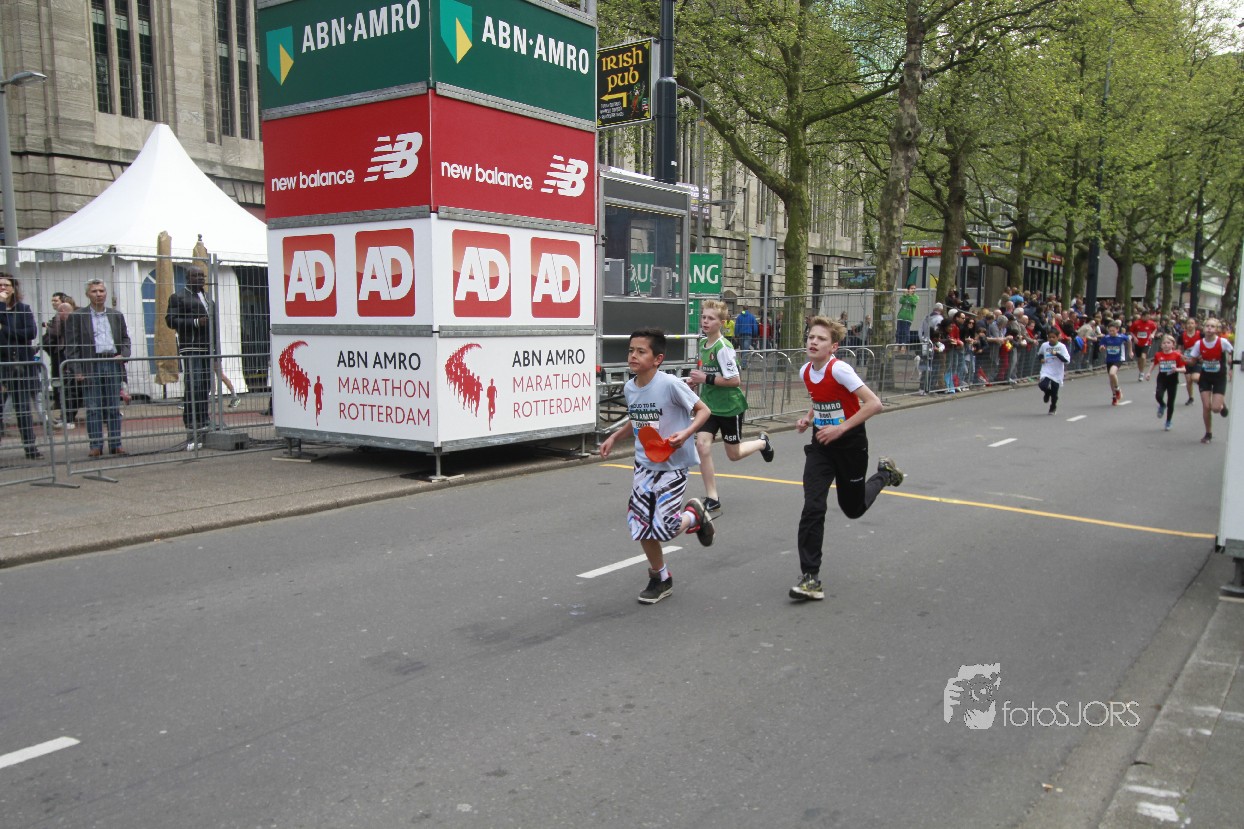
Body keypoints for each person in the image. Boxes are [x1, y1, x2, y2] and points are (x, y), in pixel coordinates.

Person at [790, 317, 903, 601]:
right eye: (811, 337)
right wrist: (808, 418)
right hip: (821, 444)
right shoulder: (805, 370)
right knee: (813, 506)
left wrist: (841, 428)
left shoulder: (840, 369)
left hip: (850, 444)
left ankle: (885, 474)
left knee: (853, 509)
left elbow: (874, 404)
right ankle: (810, 577)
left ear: (833, 347)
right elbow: (820, 399)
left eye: (821, 339)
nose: (813, 342)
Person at [599, 328, 714, 605]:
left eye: (641, 351)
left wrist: (686, 433)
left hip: (673, 466)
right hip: (644, 465)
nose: (633, 356)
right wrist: (615, 436)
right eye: (631, 350)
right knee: (640, 525)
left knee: (665, 528)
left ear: (657, 358)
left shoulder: (671, 385)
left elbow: (704, 411)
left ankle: (694, 516)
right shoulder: (630, 387)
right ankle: (660, 578)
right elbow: (637, 419)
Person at [688, 299, 775, 514]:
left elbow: (735, 380)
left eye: (711, 318)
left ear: (721, 322)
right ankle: (712, 497)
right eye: (704, 317)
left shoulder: (723, 348)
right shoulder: (703, 344)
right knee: (702, 446)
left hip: (729, 408)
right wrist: (696, 381)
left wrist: (705, 378)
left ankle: (762, 443)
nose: (705, 321)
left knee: (733, 455)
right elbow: (708, 374)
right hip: (709, 407)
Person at [64, 278, 130, 456]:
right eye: (94, 291)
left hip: (112, 363)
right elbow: (71, 346)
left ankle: (116, 444)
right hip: (91, 364)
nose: (98, 294)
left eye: (101, 291)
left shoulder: (116, 315)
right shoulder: (77, 316)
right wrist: (77, 369)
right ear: (87, 294)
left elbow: (125, 338)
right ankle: (95, 445)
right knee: (93, 408)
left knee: (113, 407)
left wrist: (124, 354)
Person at [166, 266, 215, 450]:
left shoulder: (208, 298)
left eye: (202, 275)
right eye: (195, 276)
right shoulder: (178, 297)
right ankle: (192, 425)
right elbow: (170, 320)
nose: (200, 278)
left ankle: (204, 421)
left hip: (207, 347)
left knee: (205, 385)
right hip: (191, 346)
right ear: (187, 278)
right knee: (194, 384)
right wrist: (195, 322)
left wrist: (215, 347)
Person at [0, 273, 44, 459]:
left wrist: (5, 329)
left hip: (20, 365)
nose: (3, 288)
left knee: (23, 409)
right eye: (0, 285)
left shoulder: (23, 309)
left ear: (13, 288)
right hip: (2, 364)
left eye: (6, 285)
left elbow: (31, 333)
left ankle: (30, 447)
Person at [1186, 317, 1231, 445]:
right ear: (1204, 328)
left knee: (1215, 408)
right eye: (1207, 326)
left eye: (1212, 326)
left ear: (1217, 329)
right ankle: (1208, 433)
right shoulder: (1199, 344)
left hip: (1219, 377)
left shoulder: (1222, 342)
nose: (1209, 328)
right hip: (1205, 377)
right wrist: (1184, 360)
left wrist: (1231, 363)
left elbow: (1233, 352)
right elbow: (1192, 361)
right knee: (1206, 406)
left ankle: (1221, 405)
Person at [42, 299, 81, 429]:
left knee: (71, 390)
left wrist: (50, 325)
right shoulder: (66, 321)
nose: (58, 315)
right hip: (64, 357)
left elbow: (55, 332)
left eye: (59, 312)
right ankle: (66, 417)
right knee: (66, 389)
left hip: (69, 358)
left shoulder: (71, 321)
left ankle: (68, 418)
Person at [1145, 334, 1186, 432]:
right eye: (1164, 343)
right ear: (1161, 345)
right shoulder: (1158, 355)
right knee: (1158, 395)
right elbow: (1154, 363)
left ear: (1173, 345)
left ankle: (1168, 421)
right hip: (1162, 378)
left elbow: (1184, 369)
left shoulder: (1177, 355)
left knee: (1171, 402)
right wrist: (1149, 373)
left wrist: (1176, 369)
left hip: (1172, 380)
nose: (1166, 345)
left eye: (1168, 343)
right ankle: (1162, 405)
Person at [1036, 328, 1070, 415]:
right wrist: (1041, 359)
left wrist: (1057, 354)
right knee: (1042, 385)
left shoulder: (1062, 347)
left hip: (1057, 371)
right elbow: (1040, 354)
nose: (1051, 339)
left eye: (1053, 337)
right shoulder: (1044, 345)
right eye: (1049, 337)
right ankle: (1047, 392)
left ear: (1058, 337)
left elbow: (1066, 360)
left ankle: (1053, 407)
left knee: (1054, 392)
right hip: (1046, 369)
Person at [1099, 320, 1130, 405]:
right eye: (1110, 331)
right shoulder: (1106, 338)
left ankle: (1118, 389)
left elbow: (1129, 341)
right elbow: (1101, 346)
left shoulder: (1122, 337)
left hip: (1118, 359)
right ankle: (1114, 396)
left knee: (1112, 373)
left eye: (1113, 331)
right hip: (1109, 359)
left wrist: (1130, 351)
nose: (1111, 332)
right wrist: (1102, 348)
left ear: (1117, 329)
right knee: (1111, 378)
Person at [1130, 309, 1159, 382]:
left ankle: (1142, 373)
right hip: (1138, 343)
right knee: (1139, 359)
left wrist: (1152, 334)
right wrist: (1134, 337)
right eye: (1146, 317)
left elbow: (1155, 329)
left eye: (1149, 317)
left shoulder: (1151, 323)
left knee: (1143, 357)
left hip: (1147, 342)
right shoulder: (1136, 323)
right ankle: (1140, 372)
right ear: (1142, 316)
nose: (1148, 318)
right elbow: (1131, 331)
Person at [1181, 317, 1201, 406]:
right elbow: (1180, 348)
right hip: (1187, 360)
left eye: (1192, 323)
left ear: (1195, 325)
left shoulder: (1200, 334)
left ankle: (1204, 384)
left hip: (1197, 360)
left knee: (1195, 378)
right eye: (1188, 323)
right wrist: (1181, 356)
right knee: (1188, 380)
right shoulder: (1182, 335)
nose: (1190, 325)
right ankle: (1191, 398)